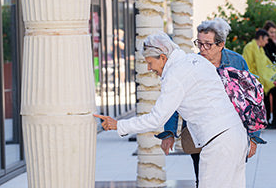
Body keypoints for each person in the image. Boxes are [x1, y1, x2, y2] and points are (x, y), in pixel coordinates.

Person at [95, 31, 248, 188]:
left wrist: (119, 125)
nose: (149, 68)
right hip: (235, 135)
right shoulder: (195, 60)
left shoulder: (175, 75)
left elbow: (156, 119)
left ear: (162, 57)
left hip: (219, 145)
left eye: (149, 62)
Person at [156, 18, 258, 187]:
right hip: (201, 136)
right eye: (199, 43)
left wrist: (253, 137)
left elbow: (252, 100)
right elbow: (174, 101)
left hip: (231, 134)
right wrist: (169, 133)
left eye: (207, 44)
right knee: (203, 180)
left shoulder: (237, 63)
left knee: (231, 179)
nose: (202, 49)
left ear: (221, 44)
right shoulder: (189, 64)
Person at [242, 29, 276, 129]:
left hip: (262, 79)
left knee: (268, 98)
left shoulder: (260, 49)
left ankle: (268, 120)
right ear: (261, 38)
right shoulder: (250, 47)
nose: (267, 42)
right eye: (266, 40)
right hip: (254, 79)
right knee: (262, 101)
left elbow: (267, 64)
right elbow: (247, 64)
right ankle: (263, 121)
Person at [262, 21, 276, 129]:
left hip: (273, 74)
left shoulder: (273, 43)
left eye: (274, 32)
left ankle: (275, 119)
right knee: (266, 97)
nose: (273, 34)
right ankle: (267, 120)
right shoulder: (263, 44)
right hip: (265, 74)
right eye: (271, 32)